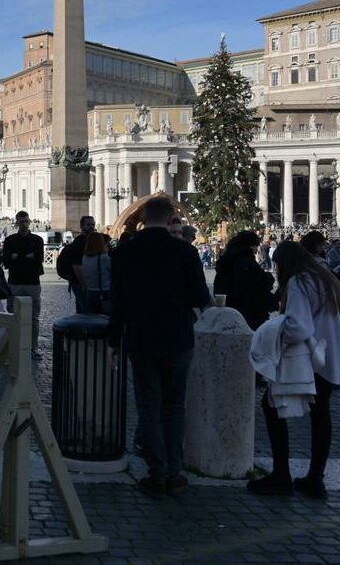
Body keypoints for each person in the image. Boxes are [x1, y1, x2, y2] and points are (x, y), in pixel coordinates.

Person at [109, 197, 211, 498]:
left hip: (141, 338)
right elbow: (199, 297)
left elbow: (118, 301)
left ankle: (156, 473)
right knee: (174, 406)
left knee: (149, 408)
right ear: (170, 221)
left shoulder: (125, 251)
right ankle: (174, 473)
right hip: (178, 337)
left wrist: (114, 339)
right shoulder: (184, 251)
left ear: (143, 219)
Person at [247, 241, 340, 500]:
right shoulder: (327, 279)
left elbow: (299, 327)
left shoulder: (300, 282)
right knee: (321, 415)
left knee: (272, 406)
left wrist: (275, 331)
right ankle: (315, 478)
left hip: (309, 361)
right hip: (330, 358)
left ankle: (281, 474)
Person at [213, 230, 277, 331]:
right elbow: (259, 281)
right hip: (249, 310)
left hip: (229, 307)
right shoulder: (246, 261)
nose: (257, 250)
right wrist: (269, 277)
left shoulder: (227, 258)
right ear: (251, 245)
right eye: (256, 246)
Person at [3, 211, 45, 350]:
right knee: (12, 315)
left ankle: (33, 346)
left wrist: (17, 257)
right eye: (21, 222)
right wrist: (27, 257)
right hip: (14, 282)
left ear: (30, 221)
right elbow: (7, 262)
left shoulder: (38, 240)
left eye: (26, 221)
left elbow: (38, 260)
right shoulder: (9, 240)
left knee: (34, 317)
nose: (24, 224)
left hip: (32, 282)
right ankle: (13, 345)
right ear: (17, 223)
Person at [55, 216, 96, 313]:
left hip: (84, 281)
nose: (92, 227)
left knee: (82, 307)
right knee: (86, 309)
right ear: (81, 227)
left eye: (93, 224)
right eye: (88, 225)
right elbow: (77, 265)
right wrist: (84, 284)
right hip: (80, 282)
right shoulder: (79, 242)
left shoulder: (91, 240)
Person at [78, 233, 112, 315]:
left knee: (92, 319)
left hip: (90, 292)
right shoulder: (104, 258)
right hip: (104, 292)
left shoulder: (84, 257)